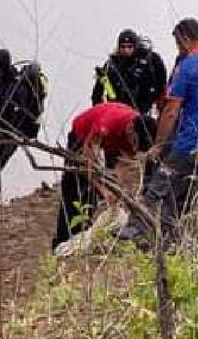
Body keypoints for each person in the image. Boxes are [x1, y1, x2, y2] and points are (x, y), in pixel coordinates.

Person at [117, 18, 198, 245]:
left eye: (177, 44)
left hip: (190, 145)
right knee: (186, 197)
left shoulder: (188, 66)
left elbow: (171, 111)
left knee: (158, 188)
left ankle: (136, 232)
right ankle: (168, 241)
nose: (179, 50)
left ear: (184, 40)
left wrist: (159, 145)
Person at [52, 102, 155, 252]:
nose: (134, 147)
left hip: (111, 143)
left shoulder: (137, 136)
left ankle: (83, 237)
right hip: (82, 136)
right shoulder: (107, 123)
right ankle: (63, 241)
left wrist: (117, 190)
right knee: (75, 188)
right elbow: (86, 161)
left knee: (96, 196)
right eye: (134, 142)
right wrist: (102, 189)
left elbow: (122, 166)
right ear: (130, 129)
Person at [0, 49, 47, 221]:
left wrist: (12, 134)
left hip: (12, 133)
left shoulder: (18, 87)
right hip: (1, 131)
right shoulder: (0, 83)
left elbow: (23, 114)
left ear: (5, 68)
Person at [92, 29, 168, 115]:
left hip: (141, 111)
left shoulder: (148, 61)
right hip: (117, 110)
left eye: (129, 47)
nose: (126, 50)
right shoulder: (111, 65)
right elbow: (98, 93)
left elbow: (162, 82)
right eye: (123, 47)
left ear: (135, 46)